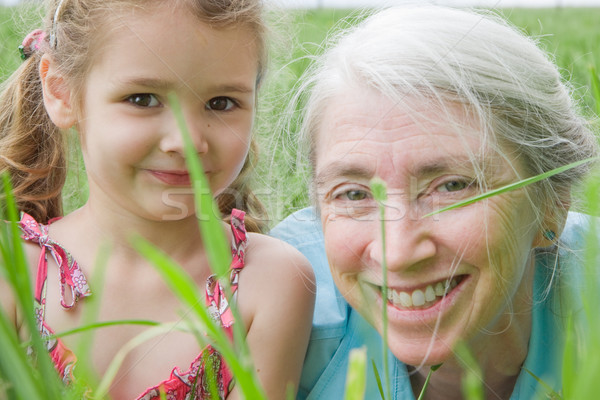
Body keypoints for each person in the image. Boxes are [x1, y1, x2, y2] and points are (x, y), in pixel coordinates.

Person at [271, 5, 599, 400]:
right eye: (354, 195)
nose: (398, 253)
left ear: (552, 204)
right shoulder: (282, 318)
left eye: (452, 186)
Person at [0, 0, 315, 399]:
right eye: (143, 99)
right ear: (61, 92)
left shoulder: (269, 283)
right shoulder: (11, 271)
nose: (186, 140)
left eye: (221, 104)